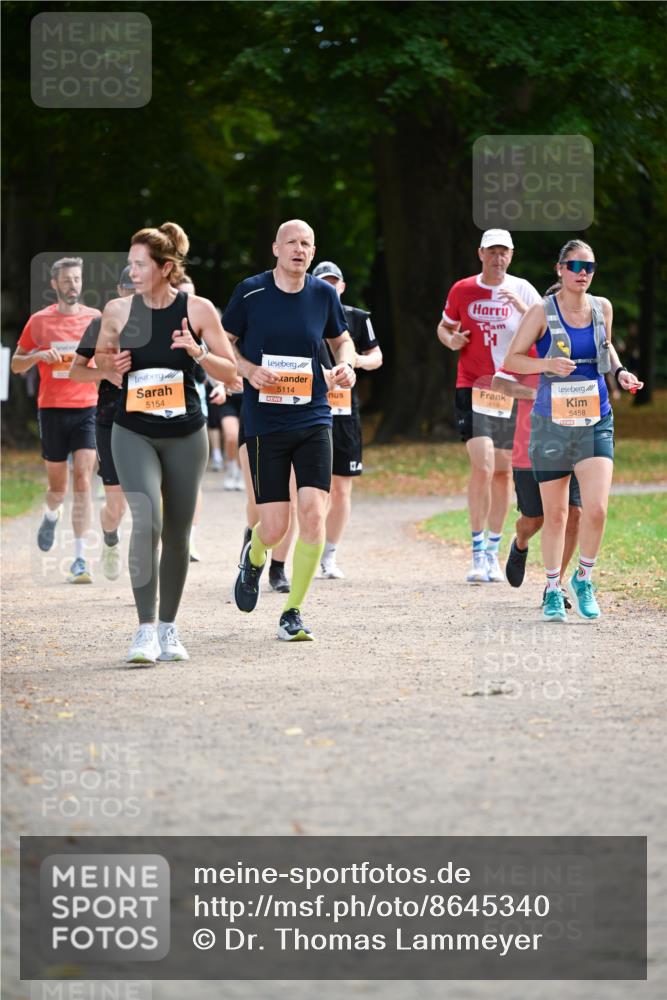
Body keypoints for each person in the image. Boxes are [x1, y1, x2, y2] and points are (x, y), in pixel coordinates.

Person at [95, 222, 236, 663]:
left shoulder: (198, 310)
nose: (132, 270)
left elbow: (230, 371)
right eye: (130, 263)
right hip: (133, 430)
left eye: (140, 264)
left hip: (186, 435)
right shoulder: (117, 310)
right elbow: (97, 359)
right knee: (148, 521)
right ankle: (143, 630)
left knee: (177, 532)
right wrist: (110, 364)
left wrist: (197, 352)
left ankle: (169, 629)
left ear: (165, 267)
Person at [223, 219, 356, 641]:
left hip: (315, 415)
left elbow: (343, 340)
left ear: (313, 253)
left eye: (307, 244)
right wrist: (245, 369)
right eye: (292, 243)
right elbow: (224, 339)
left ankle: (292, 611)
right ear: (276, 249)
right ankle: (256, 552)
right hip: (265, 420)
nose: (300, 250)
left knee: (314, 514)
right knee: (275, 526)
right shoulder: (251, 291)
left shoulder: (323, 294)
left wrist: (346, 365)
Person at [503, 239, 642, 622]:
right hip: (552, 424)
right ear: (559, 269)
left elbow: (606, 347)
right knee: (557, 515)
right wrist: (546, 364)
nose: (583, 273)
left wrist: (619, 371)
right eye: (575, 266)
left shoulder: (602, 308)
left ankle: (583, 577)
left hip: (595, 418)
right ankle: (551, 588)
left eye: (590, 267)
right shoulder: (540, 311)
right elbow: (513, 359)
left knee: (596, 509)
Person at [437, 230, 542, 585]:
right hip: (474, 385)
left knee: (503, 472)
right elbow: (445, 327)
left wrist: (523, 309)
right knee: (481, 466)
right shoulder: (462, 289)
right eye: (492, 251)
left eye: (504, 252)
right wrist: (452, 340)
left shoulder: (524, 289)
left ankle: (494, 553)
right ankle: (477, 551)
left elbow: (547, 333)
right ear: (480, 253)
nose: (498, 258)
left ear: (511, 256)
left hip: (512, 389)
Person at [11, 257, 101, 582]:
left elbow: (108, 357)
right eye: (66, 280)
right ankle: (51, 514)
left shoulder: (96, 318)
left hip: (87, 408)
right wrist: (36, 356)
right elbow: (16, 365)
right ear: (55, 284)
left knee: (83, 481)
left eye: (77, 279)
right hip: (51, 410)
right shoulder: (39, 321)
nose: (72, 285)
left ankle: (80, 559)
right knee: (58, 488)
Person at [311, 260, 383, 579]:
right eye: (322, 282)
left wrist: (356, 360)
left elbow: (377, 357)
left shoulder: (357, 318)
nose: (329, 288)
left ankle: (330, 554)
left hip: (345, 414)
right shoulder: (303, 316)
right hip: (310, 410)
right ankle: (305, 552)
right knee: (313, 490)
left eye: (333, 282)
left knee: (341, 489)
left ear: (341, 287)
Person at [491, 364, 582, 607]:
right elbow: (498, 383)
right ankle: (520, 541)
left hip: (573, 442)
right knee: (535, 520)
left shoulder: (580, 344)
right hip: (530, 444)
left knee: (574, 514)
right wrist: (537, 394)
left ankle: (555, 586)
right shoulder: (528, 343)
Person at [69, 266, 134, 580]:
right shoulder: (99, 325)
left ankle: (151, 572)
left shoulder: (161, 324)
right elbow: (75, 371)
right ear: (119, 290)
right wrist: (105, 373)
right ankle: (110, 537)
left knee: (155, 500)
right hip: (111, 418)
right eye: (129, 289)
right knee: (116, 506)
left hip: (154, 417)